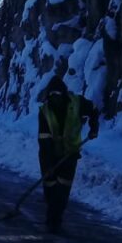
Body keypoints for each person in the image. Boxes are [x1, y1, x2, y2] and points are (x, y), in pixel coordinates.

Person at [38, 74, 99, 233]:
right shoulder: (45, 111)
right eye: (52, 95)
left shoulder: (77, 103)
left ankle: (56, 220)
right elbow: (44, 139)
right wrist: (49, 164)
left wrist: (94, 128)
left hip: (70, 153)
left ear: (64, 94)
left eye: (58, 94)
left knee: (63, 188)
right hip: (48, 154)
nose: (55, 98)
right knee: (50, 186)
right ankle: (50, 216)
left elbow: (94, 110)